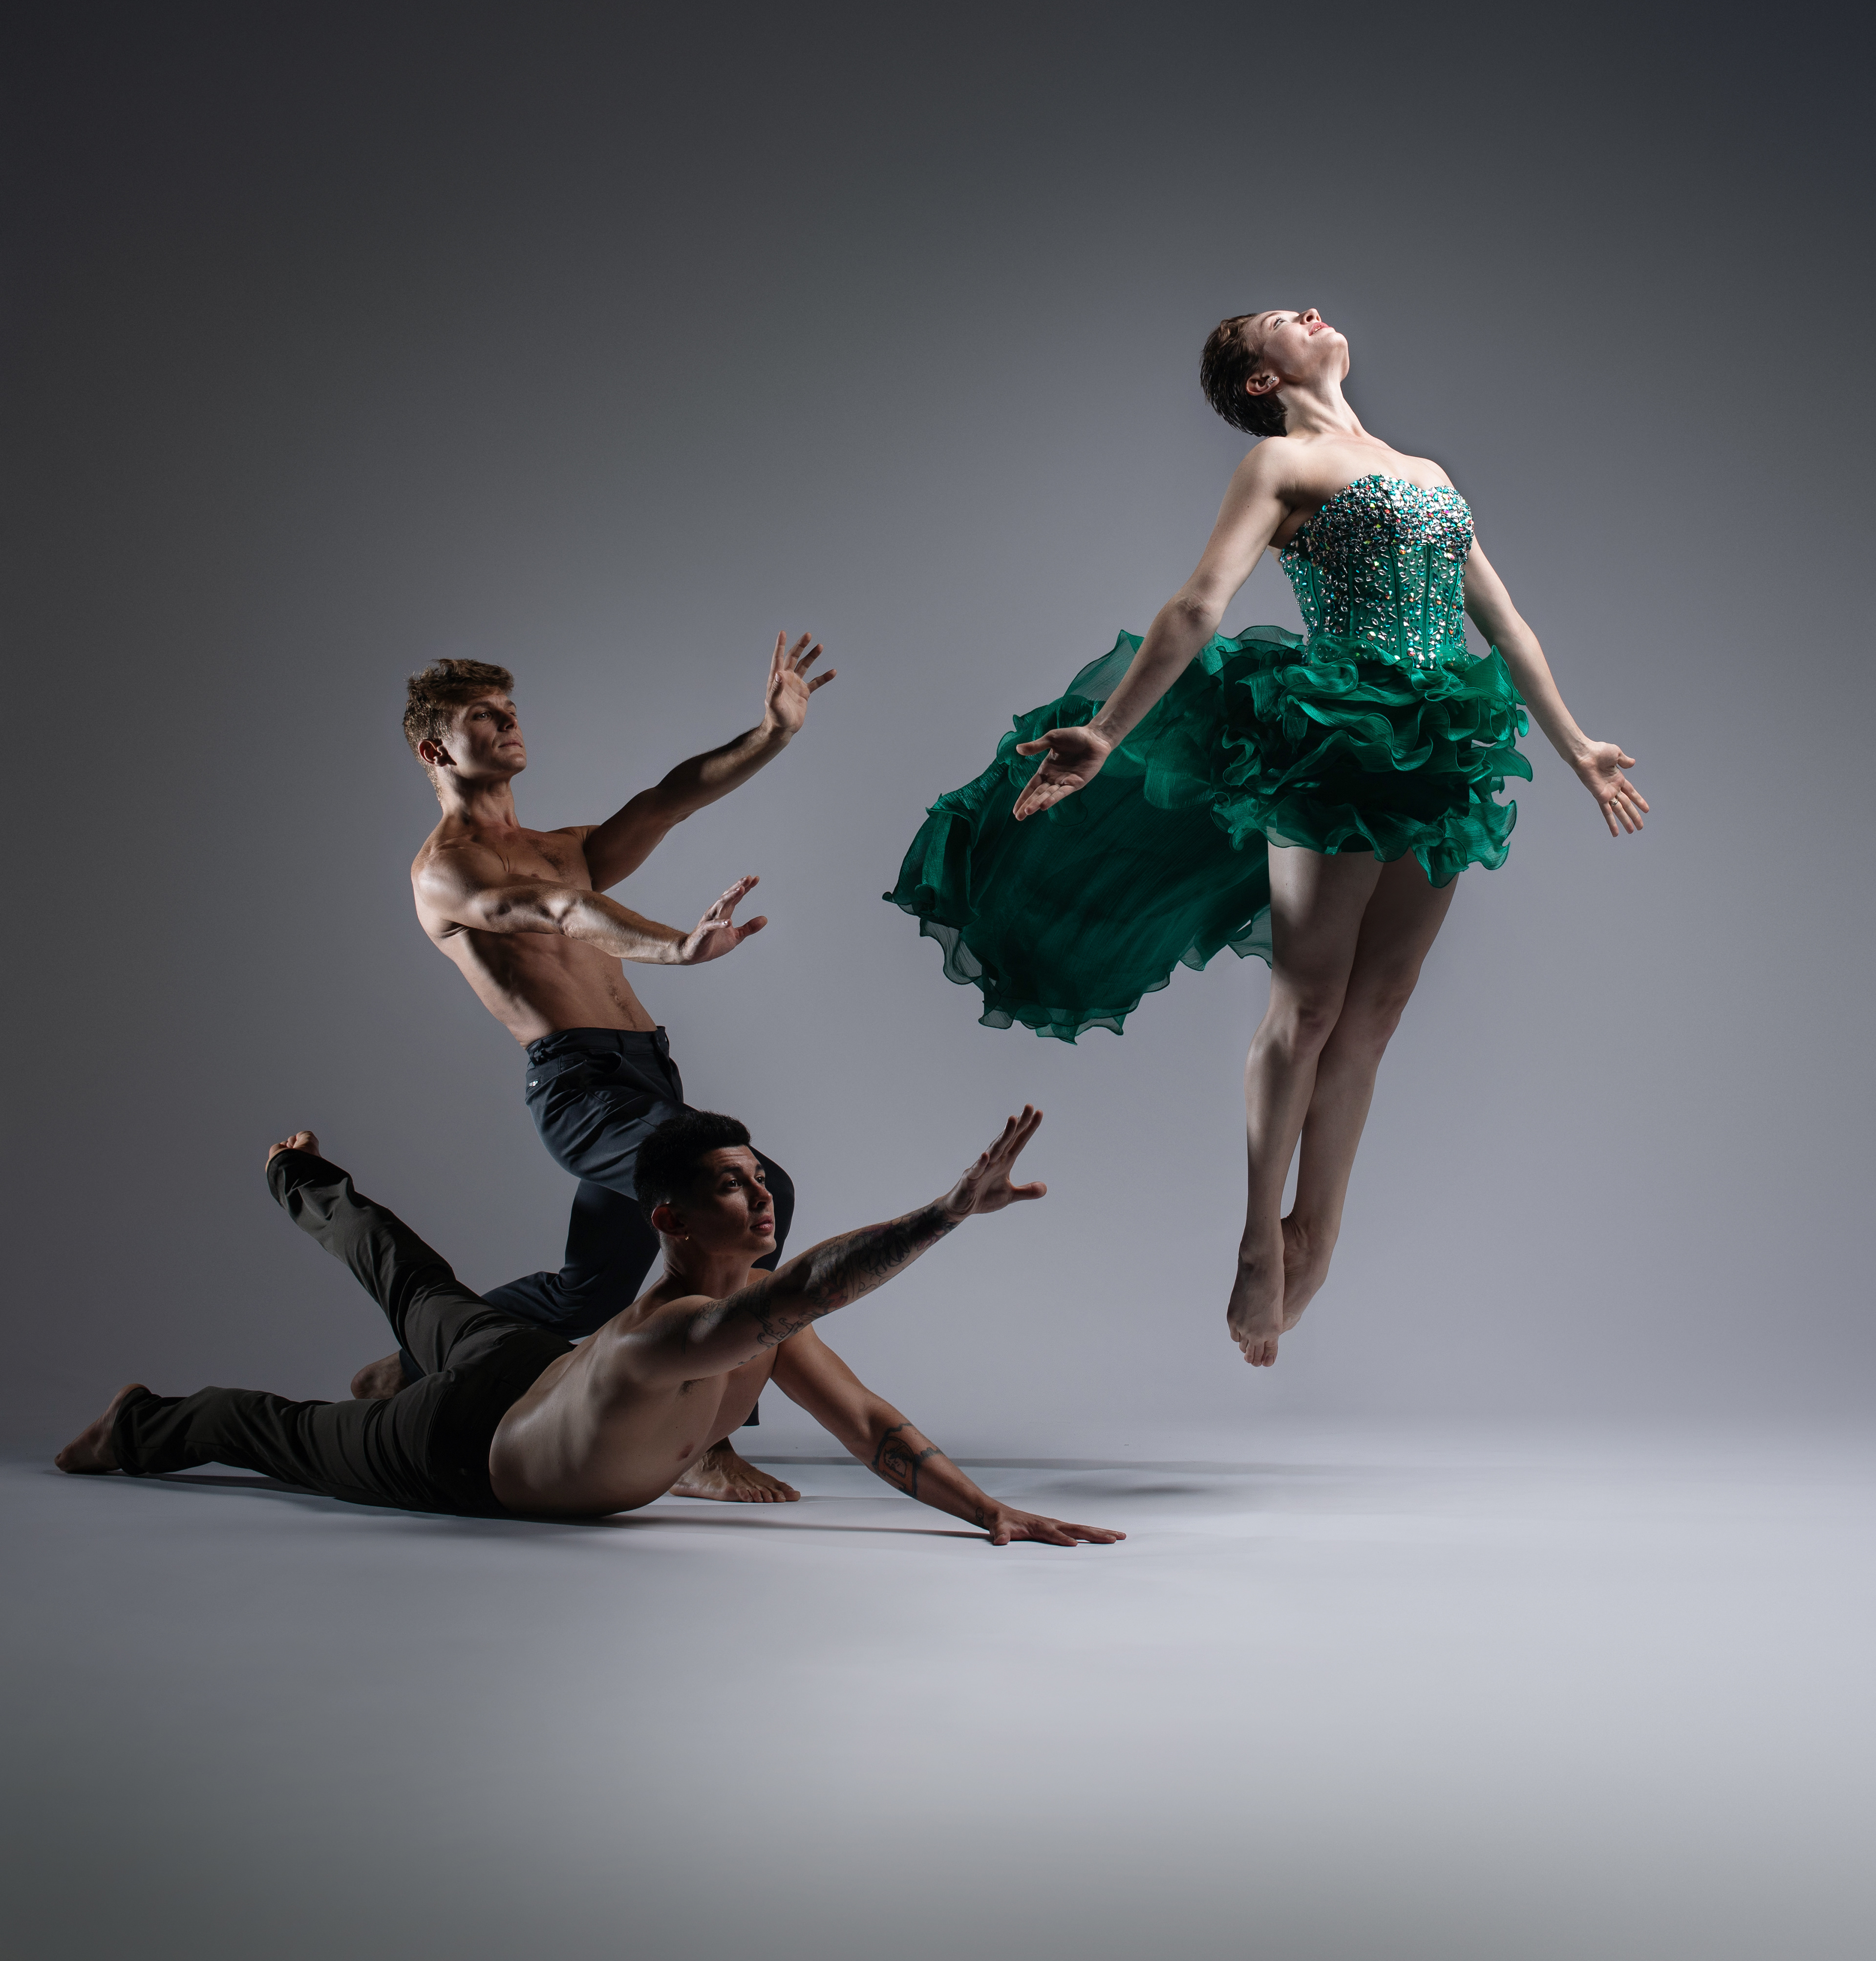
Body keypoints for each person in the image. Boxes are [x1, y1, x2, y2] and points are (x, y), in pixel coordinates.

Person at [887, 307, 1645, 1367]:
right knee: (1313, 1000)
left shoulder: (1427, 472)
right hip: (1335, 738)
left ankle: (1316, 1234)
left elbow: (1505, 624)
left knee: (1378, 1010)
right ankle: (1258, 1235)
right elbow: (1199, 605)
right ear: (1258, 381)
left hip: (1442, 745)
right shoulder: (1282, 464)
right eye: (1282, 320)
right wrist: (1109, 732)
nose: (1311, 312)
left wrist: (1578, 747)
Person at [56, 1113, 1123, 1550]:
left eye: (759, 1179)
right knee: (273, 1430)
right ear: (669, 1220)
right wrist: (944, 1214)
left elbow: (872, 1426)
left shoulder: (756, 1323)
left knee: (418, 1282)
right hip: (454, 1449)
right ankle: (138, 1422)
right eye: (730, 1186)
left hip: (527, 1367)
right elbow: (803, 1294)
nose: (760, 1199)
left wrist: (988, 1511)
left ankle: (324, 1218)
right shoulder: (672, 1334)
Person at [356, 633, 837, 1506]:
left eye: (510, 709)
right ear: (435, 751)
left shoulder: (564, 845)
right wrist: (675, 948)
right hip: (581, 1091)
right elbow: (560, 912)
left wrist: (770, 734)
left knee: (587, 1293)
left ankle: (409, 1363)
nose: (509, 723)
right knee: (743, 1197)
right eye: (483, 716)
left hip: (648, 1078)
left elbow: (667, 802)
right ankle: (706, 1439)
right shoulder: (445, 872)